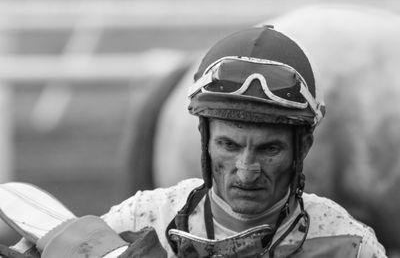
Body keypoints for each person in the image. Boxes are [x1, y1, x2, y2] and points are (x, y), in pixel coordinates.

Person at [0, 26, 387, 257]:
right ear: (204, 142)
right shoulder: (141, 219)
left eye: (270, 148)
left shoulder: (352, 244)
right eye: (230, 146)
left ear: (302, 149)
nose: (246, 171)